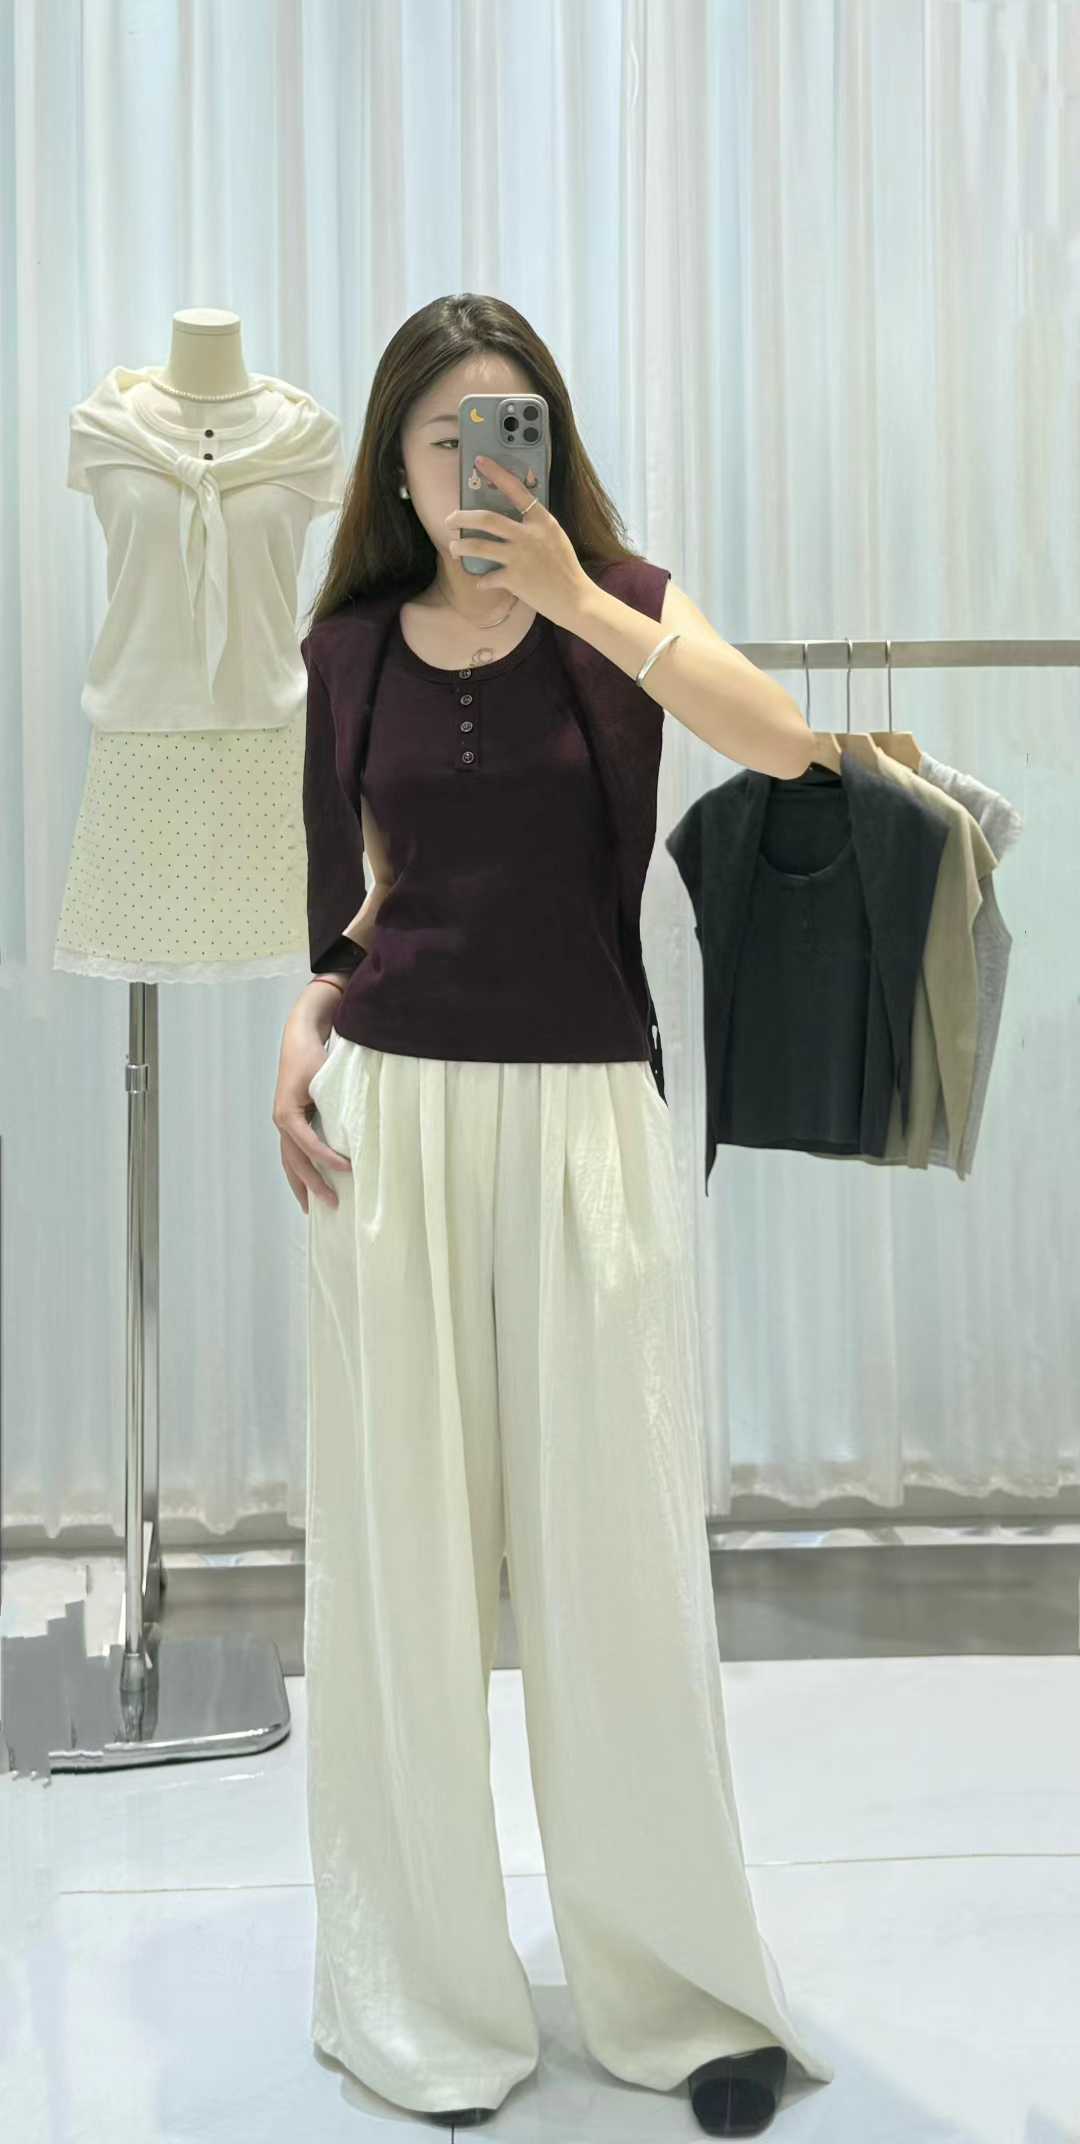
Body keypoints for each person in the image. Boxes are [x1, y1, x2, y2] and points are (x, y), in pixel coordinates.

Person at [271, 292, 832, 2137]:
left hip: (588, 1111)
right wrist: (306, 1018)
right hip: (394, 1128)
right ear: (394, 462)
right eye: (443, 432)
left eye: (507, 424)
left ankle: (680, 1995)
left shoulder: (624, 606)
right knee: (402, 1577)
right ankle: (420, 1996)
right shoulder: (350, 651)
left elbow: (788, 745)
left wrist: (589, 602)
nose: (474, 461)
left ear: (551, 442)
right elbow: (357, 903)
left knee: (614, 1570)